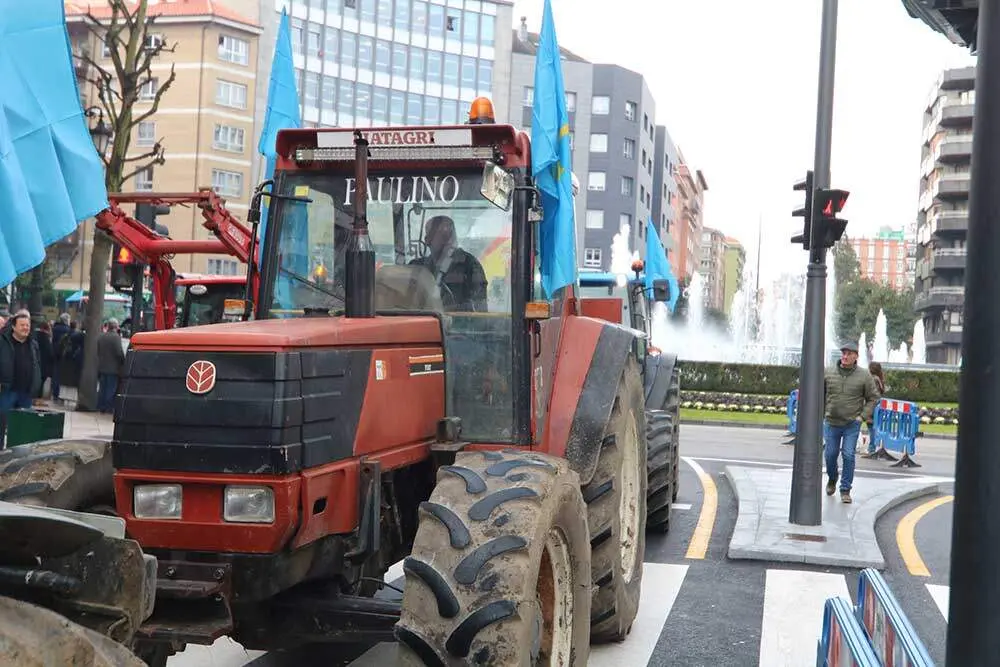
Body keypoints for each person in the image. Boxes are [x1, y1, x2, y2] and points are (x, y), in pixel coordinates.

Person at [823, 341, 880, 504]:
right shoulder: (829, 372)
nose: (845, 356)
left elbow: (874, 397)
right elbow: (820, 393)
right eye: (844, 353)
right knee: (830, 454)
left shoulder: (864, 375)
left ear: (856, 356)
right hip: (831, 422)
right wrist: (822, 413)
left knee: (848, 455)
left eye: (849, 354)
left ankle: (845, 489)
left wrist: (862, 416)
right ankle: (832, 478)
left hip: (851, 424)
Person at [409, 215, 488, 312]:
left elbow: (479, 308)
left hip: (460, 325)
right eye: (443, 235)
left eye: (452, 235)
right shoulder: (416, 268)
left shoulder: (469, 265)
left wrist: (450, 309)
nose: (449, 240)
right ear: (427, 240)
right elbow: (405, 303)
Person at [0, 311, 41, 447]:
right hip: (7, 391)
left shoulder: (33, 344)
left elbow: (37, 365)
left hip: (25, 392)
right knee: (1, 424)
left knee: (22, 427)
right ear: (13, 327)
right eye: (22, 325)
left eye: (28, 325)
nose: (26, 328)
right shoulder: (3, 342)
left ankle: (17, 455)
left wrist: (36, 385)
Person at [96, 318, 126, 413]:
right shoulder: (116, 337)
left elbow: (98, 351)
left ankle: (101, 407)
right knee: (111, 389)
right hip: (113, 368)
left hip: (102, 367)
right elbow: (119, 353)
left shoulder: (101, 337)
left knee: (102, 388)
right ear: (116, 327)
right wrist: (123, 361)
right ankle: (109, 407)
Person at [861, 361, 886, 457]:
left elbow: (872, 394)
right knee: (873, 428)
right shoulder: (878, 378)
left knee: (872, 428)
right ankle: (873, 448)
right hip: (877, 406)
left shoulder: (873, 379)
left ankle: (872, 449)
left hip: (872, 406)